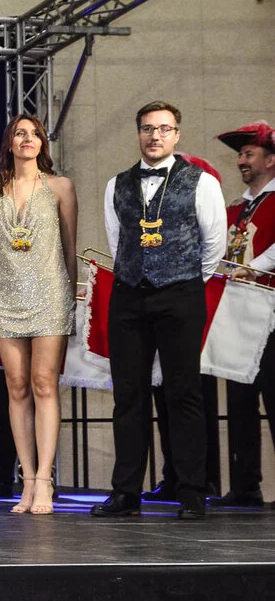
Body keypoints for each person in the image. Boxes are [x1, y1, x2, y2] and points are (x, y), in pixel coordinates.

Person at [91, 101, 226, 518]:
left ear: (176, 135)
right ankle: (126, 493)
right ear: (138, 133)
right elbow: (117, 241)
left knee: (183, 393)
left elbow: (214, 245)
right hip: (129, 295)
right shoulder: (116, 184)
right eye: (148, 128)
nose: (156, 136)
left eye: (164, 129)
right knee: (128, 395)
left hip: (181, 294)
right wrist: (140, 272)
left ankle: (192, 493)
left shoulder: (202, 182)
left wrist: (182, 278)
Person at [0, 114, 77, 515]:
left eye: (35, 134)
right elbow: (2, 248)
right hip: (6, 295)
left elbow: (69, 247)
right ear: (9, 142)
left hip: (50, 294)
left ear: (42, 143)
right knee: (16, 386)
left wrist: (71, 298)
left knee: (43, 384)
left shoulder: (60, 186)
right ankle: (26, 479)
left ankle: (45, 481)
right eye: (20, 133)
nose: (27, 139)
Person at [208, 121, 275, 508]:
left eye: (249, 153)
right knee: (239, 400)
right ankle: (246, 484)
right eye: (240, 155)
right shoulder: (235, 208)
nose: (241, 161)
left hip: (270, 313)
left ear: (270, 159)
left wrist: (255, 267)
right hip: (235, 314)